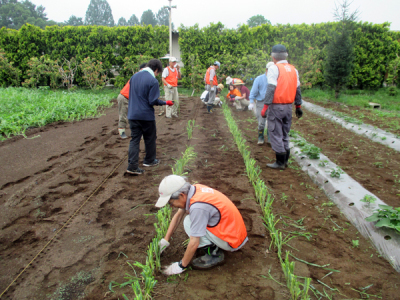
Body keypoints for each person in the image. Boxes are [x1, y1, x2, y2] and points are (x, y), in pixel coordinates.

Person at [156, 175, 248, 275]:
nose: (171, 206)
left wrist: (181, 265)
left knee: (188, 222)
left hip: (232, 240)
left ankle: (214, 254)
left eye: (171, 202)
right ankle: (214, 244)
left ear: (182, 195)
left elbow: (194, 242)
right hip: (233, 231)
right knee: (190, 220)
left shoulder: (197, 207)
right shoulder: (195, 189)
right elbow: (178, 215)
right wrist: (165, 240)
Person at [126, 59, 174, 175]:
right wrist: (165, 102)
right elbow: (152, 101)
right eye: (158, 73)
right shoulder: (152, 81)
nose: (157, 75)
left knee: (135, 140)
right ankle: (149, 160)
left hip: (132, 114)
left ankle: (132, 166)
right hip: (146, 116)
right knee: (150, 138)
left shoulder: (134, 77)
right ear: (156, 70)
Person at [261, 44, 303, 169]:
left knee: (275, 132)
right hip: (288, 107)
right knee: (285, 133)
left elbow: (271, 88)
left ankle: (279, 162)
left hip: (276, 106)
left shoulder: (275, 68)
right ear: (286, 56)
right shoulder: (293, 69)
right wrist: (298, 106)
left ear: (273, 57)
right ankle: (285, 161)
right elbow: (297, 89)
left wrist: (265, 107)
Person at [117, 63, 147, 139]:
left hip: (132, 99)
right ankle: (122, 132)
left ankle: (139, 133)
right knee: (123, 115)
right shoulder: (138, 76)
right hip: (124, 97)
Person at [249, 62, 275, 145]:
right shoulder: (259, 79)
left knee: (271, 121)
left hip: (272, 103)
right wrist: (251, 102)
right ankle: (260, 137)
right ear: (266, 70)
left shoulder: (275, 79)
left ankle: (270, 139)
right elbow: (253, 91)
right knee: (261, 122)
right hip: (261, 102)